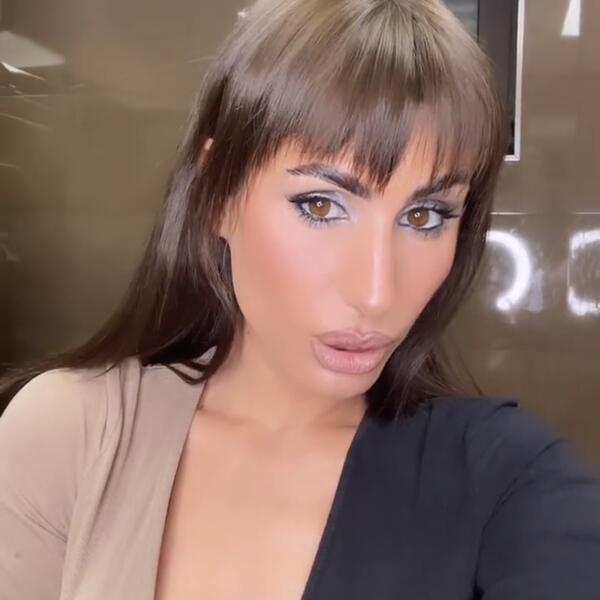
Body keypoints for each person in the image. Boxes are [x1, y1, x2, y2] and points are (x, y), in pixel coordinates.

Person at [1, 0, 600, 598]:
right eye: (320, 205)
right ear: (217, 192)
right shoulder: (72, 434)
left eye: (424, 215)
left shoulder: (510, 481)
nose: (376, 293)